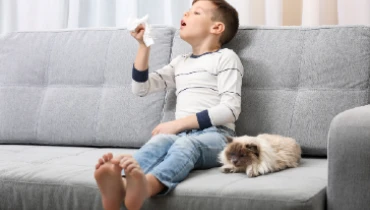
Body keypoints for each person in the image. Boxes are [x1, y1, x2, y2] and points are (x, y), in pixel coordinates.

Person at [94, 1, 243, 209]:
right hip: (180, 135)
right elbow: (141, 88)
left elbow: (230, 109)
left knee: (185, 144)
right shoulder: (180, 62)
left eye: (196, 12)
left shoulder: (226, 58)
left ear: (216, 28)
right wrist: (143, 46)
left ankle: (148, 186)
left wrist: (178, 124)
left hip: (217, 136)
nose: (186, 13)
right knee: (160, 141)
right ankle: (121, 183)